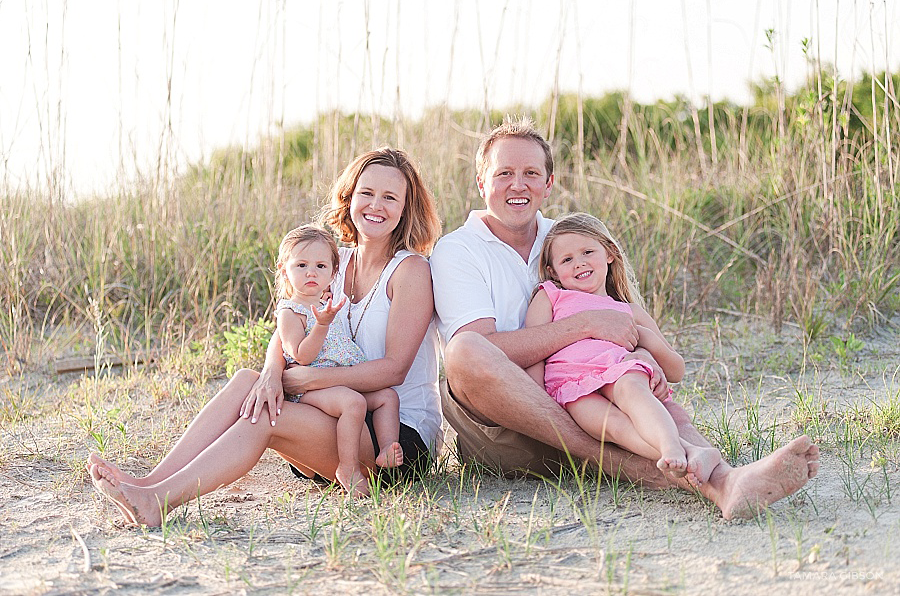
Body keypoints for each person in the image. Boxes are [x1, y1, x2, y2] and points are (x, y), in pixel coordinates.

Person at [430, 116, 819, 519]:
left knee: (635, 387)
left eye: (531, 173)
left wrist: (643, 353)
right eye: (504, 173)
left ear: (548, 184)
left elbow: (620, 321)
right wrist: (584, 325)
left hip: (595, 398)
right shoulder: (458, 250)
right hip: (509, 430)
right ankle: (618, 464)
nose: (518, 185)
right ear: (481, 182)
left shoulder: (567, 239)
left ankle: (728, 483)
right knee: (464, 351)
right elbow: (483, 356)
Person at [88, 147, 443, 525]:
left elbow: (394, 371)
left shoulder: (411, 272)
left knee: (266, 418)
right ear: (350, 197)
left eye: (391, 197)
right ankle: (148, 483)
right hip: (335, 414)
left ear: (406, 208)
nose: (376, 205)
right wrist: (273, 372)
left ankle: (159, 502)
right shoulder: (330, 262)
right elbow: (289, 323)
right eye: (366, 193)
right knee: (248, 382)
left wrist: (309, 378)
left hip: (396, 438)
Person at [526, 212, 720, 482]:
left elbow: (676, 370)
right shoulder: (550, 296)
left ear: (609, 253)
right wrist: (539, 400)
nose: (579, 263)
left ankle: (672, 447)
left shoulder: (629, 311)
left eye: (587, 252)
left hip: (619, 373)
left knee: (632, 390)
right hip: (572, 388)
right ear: (552, 271)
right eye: (567, 259)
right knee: (614, 428)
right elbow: (536, 348)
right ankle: (689, 453)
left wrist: (644, 340)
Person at [272, 224, 403, 495]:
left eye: (321, 266)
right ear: (285, 270)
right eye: (301, 265)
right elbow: (301, 355)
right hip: (310, 389)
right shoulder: (289, 312)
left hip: (338, 379)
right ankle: (348, 467)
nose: (311, 272)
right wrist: (321, 325)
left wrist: (324, 313)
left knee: (387, 397)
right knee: (353, 403)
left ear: (333, 273)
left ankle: (388, 449)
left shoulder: (325, 303)